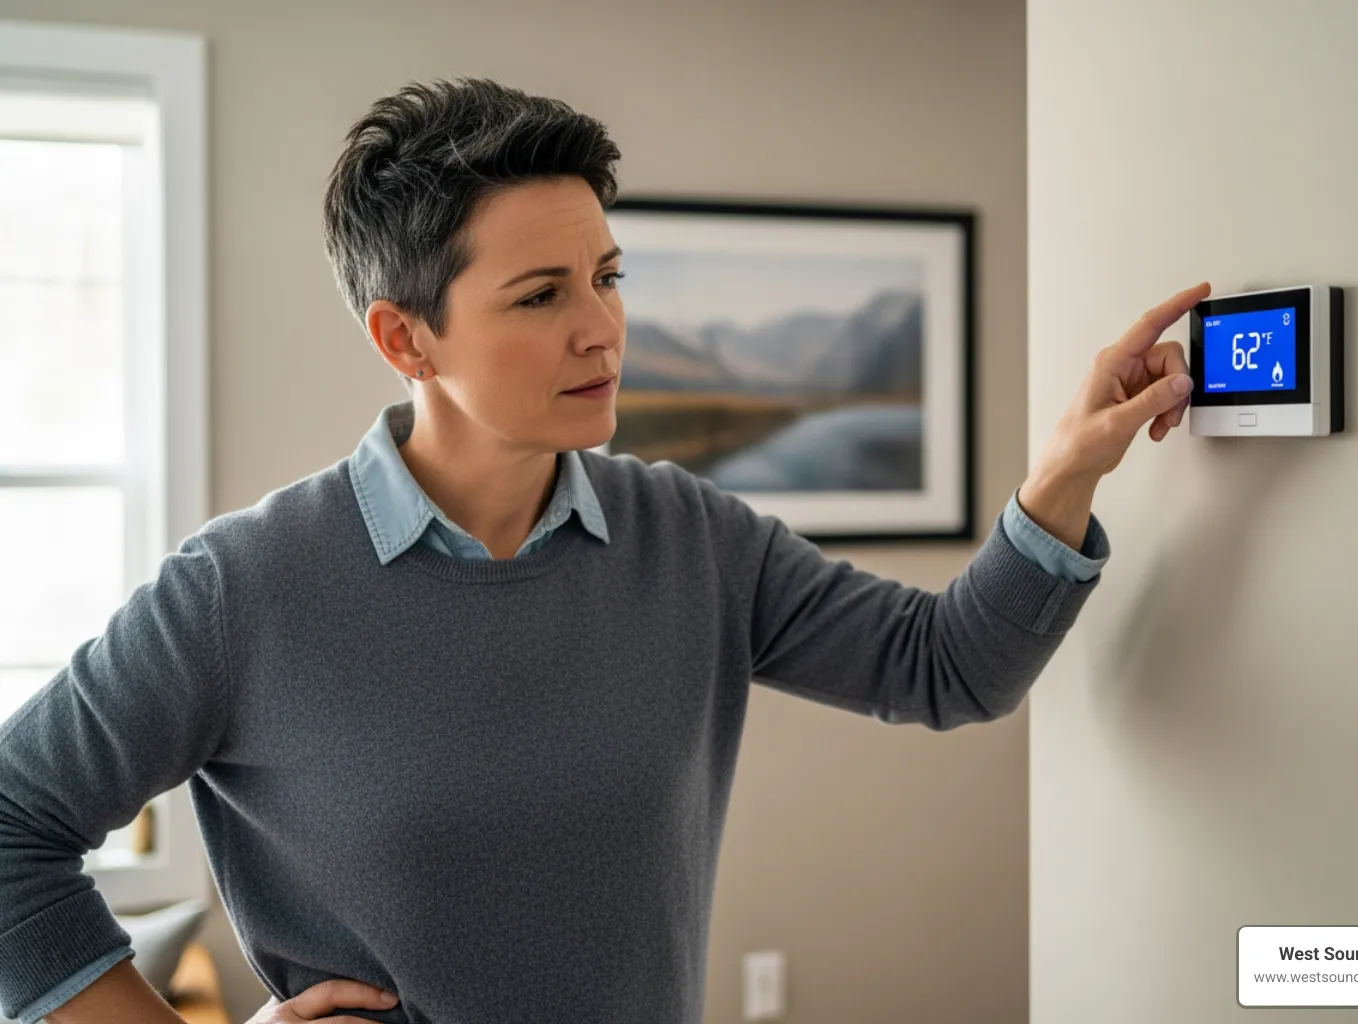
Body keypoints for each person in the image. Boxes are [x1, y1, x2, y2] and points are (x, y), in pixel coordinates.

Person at [0, 78, 1203, 1024]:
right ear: (405, 339)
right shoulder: (244, 589)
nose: (604, 329)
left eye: (608, 277)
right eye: (541, 295)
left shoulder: (691, 538)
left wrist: (1068, 467)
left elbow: (948, 668)